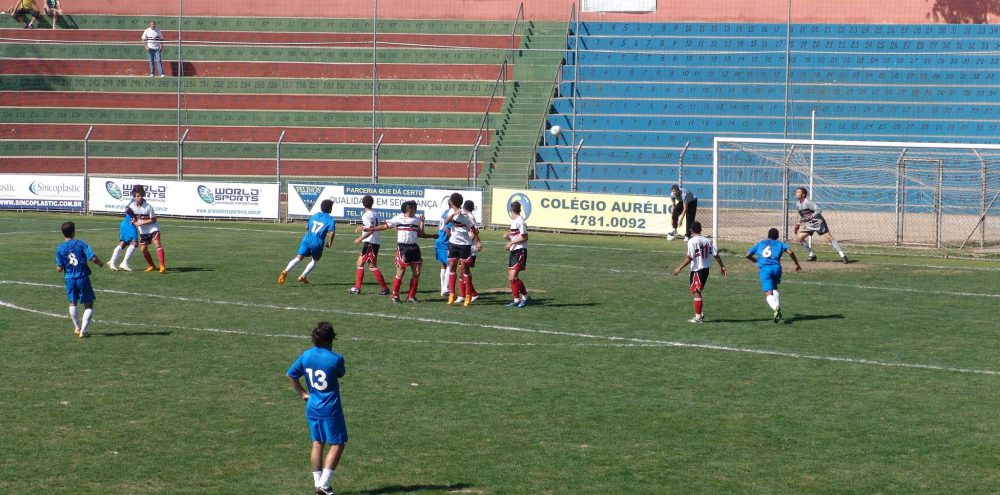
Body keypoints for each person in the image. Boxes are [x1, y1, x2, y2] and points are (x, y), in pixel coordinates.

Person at [286, 321, 347, 495]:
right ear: (330, 339)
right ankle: (324, 484)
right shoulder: (336, 358)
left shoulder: (306, 356)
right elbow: (340, 373)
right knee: (337, 444)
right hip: (330, 408)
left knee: (317, 443)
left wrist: (303, 393)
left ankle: (317, 483)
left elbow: (291, 374)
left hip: (312, 406)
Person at [360, 200, 434, 303]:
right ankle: (395, 295)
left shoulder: (417, 220)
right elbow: (385, 226)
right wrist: (371, 229)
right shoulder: (399, 218)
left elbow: (421, 234)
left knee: (416, 272)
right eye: (414, 207)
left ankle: (411, 296)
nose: (415, 209)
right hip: (403, 248)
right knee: (401, 271)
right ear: (409, 209)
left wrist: (423, 222)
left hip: (414, 248)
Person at [55, 221, 105, 337]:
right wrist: (101, 263)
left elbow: (59, 269)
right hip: (82, 277)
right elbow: (93, 258)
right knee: (88, 304)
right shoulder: (81, 244)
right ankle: (84, 330)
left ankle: (77, 328)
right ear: (73, 231)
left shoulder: (60, 248)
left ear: (63, 233)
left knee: (73, 303)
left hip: (69, 279)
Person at [671, 221, 727, 323]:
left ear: (691, 230)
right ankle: (699, 313)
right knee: (697, 291)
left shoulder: (692, 242)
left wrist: (679, 268)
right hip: (706, 270)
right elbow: (715, 254)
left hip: (697, 270)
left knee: (696, 291)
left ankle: (698, 317)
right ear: (700, 230)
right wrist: (722, 266)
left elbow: (690, 257)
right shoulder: (707, 240)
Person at [746, 227, 803, 323]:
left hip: (765, 269)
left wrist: (754, 260)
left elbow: (747, 254)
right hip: (777, 268)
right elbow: (790, 252)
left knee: (768, 292)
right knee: (775, 287)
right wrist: (796, 264)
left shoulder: (760, 243)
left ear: (768, 236)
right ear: (777, 236)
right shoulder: (780, 244)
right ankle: (778, 308)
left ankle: (776, 308)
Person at [279, 199, 335, 285]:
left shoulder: (315, 215)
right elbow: (332, 232)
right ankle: (303, 276)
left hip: (307, 239)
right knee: (315, 260)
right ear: (330, 208)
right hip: (317, 243)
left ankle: (285, 271)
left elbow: (307, 227)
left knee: (298, 258)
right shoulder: (330, 219)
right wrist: (330, 242)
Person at [443, 193, 482, 306]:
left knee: (465, 269)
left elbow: (474, 230)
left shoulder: (466, 217)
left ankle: (468, 296)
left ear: (453, 202)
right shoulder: (451, 212)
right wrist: (453, 214)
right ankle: (451, 294)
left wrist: (478, 241)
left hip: (464, 245)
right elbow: (446, 222)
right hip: (453, 243)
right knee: (452, 267)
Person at [793, 186, 848, 264]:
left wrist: (811, 216)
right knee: (799, 238)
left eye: (798, 192)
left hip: (818, 222)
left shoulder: (808, 202)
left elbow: (819, 210)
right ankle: (812, 255)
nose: (796, 193)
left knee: (829, 237)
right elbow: (803, 216)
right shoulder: (798, 204)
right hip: (809, 224)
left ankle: (843, 255)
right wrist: (798, 223)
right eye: (796, 192)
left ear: (803, 194)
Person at [348, 195, 390, 296]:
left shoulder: (366, 215)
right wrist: (362, 227)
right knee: (365, 264)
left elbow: (371, 229)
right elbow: (373, 227)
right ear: (372, 203)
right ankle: (383, 288)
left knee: (364, 264)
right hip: (375, 241)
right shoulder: (375, 214)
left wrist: (360, 238)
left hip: (370, 242)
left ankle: (358, 288)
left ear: (363, 204)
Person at [125, 184, 166, 273]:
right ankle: (151, 266)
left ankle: (162, 266)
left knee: (157, 244)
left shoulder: (148, 206)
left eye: (140, 196)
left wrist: (141, 222)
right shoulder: (132, 206)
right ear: (134, 197)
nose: (139, 198)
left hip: (153, 228)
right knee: (143, 249)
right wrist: (133, 222)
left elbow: (154, 219)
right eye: (137, 196)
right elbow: (133, 219)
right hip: (143, 231)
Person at [502, 200, 530, 308]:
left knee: (513, 277)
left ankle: (526, 297)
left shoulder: (520, 221)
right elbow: (517, 235)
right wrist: (508, 236)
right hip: (514, 251)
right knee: (511, 277)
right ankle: (516, 299)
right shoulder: (514, 221)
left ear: (511, 210)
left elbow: (525, 237)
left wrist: (510, 242)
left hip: (520, 250)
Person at [453, 199, 480, 306]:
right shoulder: (467, 215)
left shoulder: (470, 217)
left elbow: (475, 232)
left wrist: (467, 241)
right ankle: (462, 295)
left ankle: (473, 294)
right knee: (461, 271)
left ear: (464, 206)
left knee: (465, 271)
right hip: (464, 246)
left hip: (469, 248)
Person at [107, 207, 138, 271]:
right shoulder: (133, 201)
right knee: (135, 243)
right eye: (138, 196)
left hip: (126, 224)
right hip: (130, 225)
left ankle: (112, 261)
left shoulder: (140, 202)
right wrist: (134, 216)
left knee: (123, 243)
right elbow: (127, 209)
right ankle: (124, 263)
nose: (139, 197)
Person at [434, 207, 453, 297]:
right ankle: (446, 288)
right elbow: (447, 229)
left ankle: (443, 289)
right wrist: (453, 238)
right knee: (450, 263)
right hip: (445, 242)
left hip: (439, 240)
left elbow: (440, 226)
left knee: (443, 265)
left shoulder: (444, 212)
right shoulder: (449, 214)